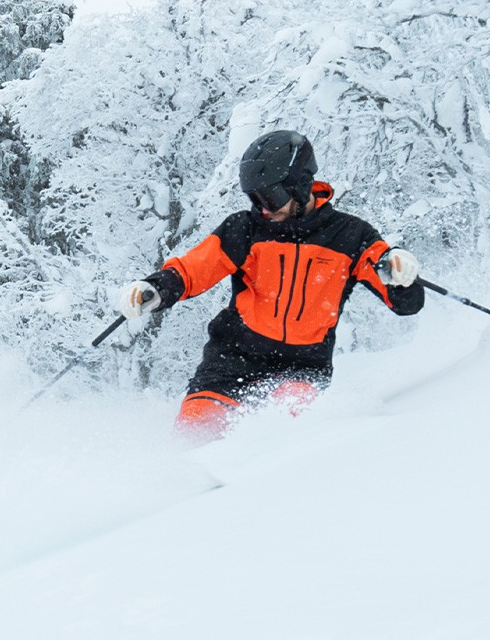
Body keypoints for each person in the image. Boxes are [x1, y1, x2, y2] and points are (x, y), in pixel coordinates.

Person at [119, 130, 424, 440]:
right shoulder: (245, 229)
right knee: (196, 431)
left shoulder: (349, 236)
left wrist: (401, 276)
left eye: (271, 197)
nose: (264, 208)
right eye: (255, 198)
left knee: (285, 431)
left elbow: (406, 303)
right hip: (233, 358)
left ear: (300, 185)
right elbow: (195, 268)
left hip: (302, 367)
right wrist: (156, 288)